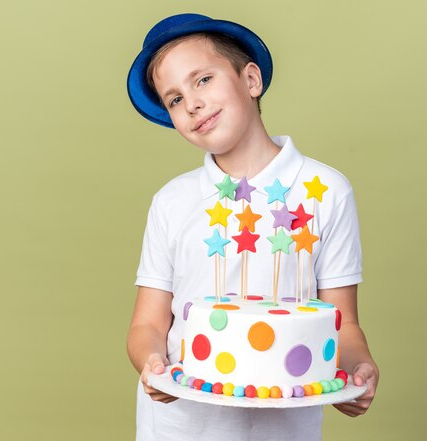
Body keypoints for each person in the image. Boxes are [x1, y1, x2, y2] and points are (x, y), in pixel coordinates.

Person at [126, 13, 379, 441]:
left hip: (285, 425)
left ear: (251, 80)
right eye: (174, 99)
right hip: (182, 425)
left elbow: (343, 322)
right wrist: (152, 365)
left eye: (203, 80)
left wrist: (358, 368)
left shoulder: (326, 191)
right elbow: (147, 324)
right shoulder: (172, 201)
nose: (192, 104)